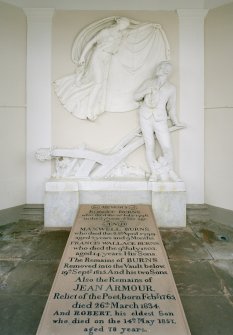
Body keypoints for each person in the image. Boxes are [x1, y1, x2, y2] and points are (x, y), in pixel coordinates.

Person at [55, 17, 130, 120]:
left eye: (126, 26)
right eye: (124, 25)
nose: (124, 27)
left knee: (101, 84)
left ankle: (94, 107)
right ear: (119, 23)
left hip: (107, 60)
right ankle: (89, 109)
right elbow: (91, 43)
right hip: (98, 56)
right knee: (98, 83)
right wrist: (82, 57)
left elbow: (117, 49)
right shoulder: (105, 32)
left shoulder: (120, 35)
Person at [134, 61, 184, 181]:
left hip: (160, 119)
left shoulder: (171, 88)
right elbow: (135, 96)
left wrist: (176, 122)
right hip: (145, 116)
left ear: (166, 71)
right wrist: (146, 91)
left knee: (167, 146)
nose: (158, 68)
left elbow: (171, 108)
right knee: (149, 145)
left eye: (161, 67)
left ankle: (170, 170)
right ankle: (154, 173)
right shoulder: (148, 83)